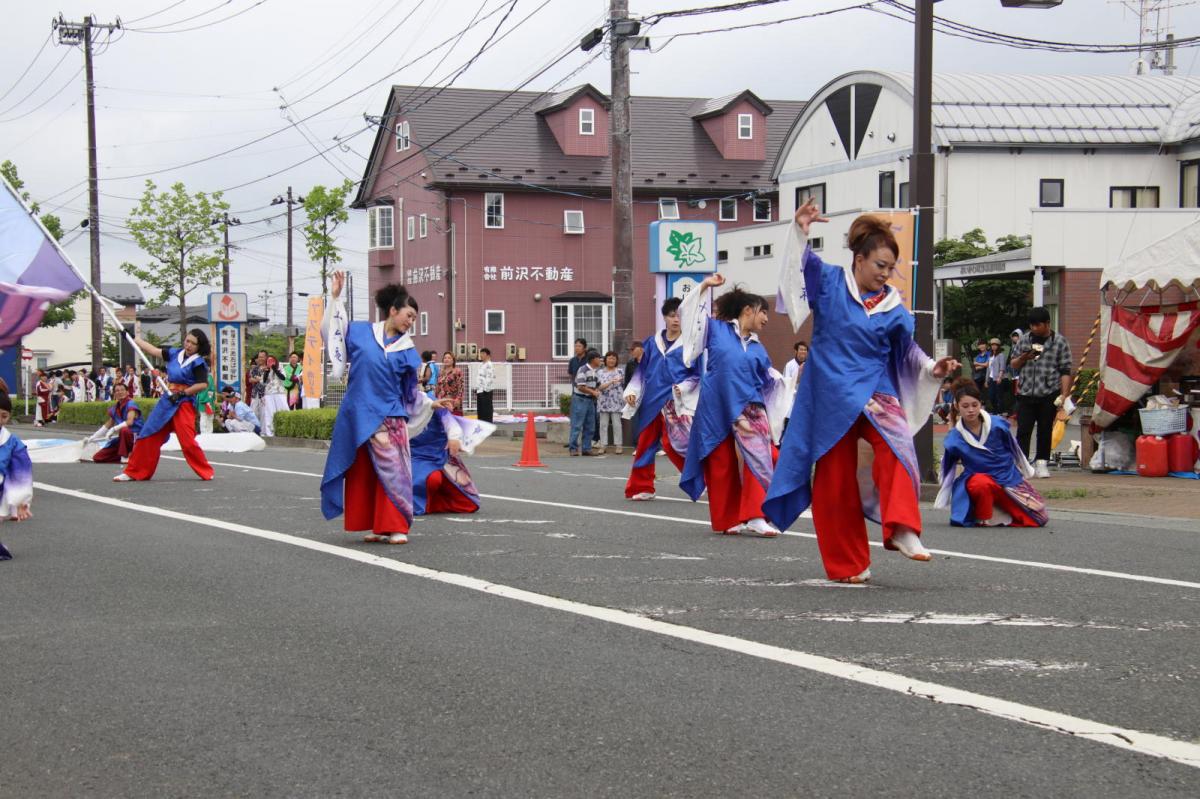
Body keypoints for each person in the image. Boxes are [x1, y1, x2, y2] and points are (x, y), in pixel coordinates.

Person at [764, 201, 959, 583]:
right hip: (830, 392)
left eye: (890, 268)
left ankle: (902, 526)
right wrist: (800, 230)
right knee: (834, 479)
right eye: (880, 265)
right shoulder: (831, 282)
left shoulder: (893, 305)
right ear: (858, 259)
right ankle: (847, 565)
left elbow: (906, 351)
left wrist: (931, 369)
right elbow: (798, 268)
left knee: (898, 446)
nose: (885, 274)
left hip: (875, 388)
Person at [320, 271, 452, 546]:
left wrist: (430, 402)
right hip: (357, 414)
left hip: (389, 417)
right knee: (364, 472)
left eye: (414, 319)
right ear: (393, 310)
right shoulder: (360, 332)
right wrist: (335, 298)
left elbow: (410, 393)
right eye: (409, 315)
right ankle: (377, 525)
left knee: (395, 472)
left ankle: (396, 526)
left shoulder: (408, 351)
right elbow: (332, 334)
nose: (411, 322)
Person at [679, 275, 789, 537]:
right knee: (721, 462)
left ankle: (756, 515)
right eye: (763, 312)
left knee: (762, 456)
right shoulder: (715, 330)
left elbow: (769, 380)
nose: (766, 319)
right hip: (715, 405)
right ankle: (727, 519)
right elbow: (689, 316)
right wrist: (704, 287)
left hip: (749, 408)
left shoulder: (758, 348)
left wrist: (788, 383)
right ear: (748, 310)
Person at [936, 378, 1048, 528]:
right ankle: (983, 516)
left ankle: (999, 512)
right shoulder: (955, 438)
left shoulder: (997, 424)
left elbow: (1014, 448)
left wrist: (1024, 469)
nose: (971, 410)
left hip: (1008, 479)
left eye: (975, 405)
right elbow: (947, 466)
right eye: (965, 406)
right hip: (979, 483)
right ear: (957, 406)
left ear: (981, 404)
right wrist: (945, 489)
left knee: (1038, 519)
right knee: (980, 483)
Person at [623, 297, 701, 500]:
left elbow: (697, 374)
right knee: (645, 444)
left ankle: (698, 480)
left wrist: (683, 388)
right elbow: (641, 371)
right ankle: (642, 487)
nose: (676, 320)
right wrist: (632, 392)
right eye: (672, 315)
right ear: (665, 317)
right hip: (651, 401)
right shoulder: (652, 342)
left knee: (677, 444)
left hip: (676, 402)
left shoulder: (691, 344)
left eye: (680, 316)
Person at [113, 329, 215, 483]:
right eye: (187, 341)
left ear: (199, 346)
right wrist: (132, 338)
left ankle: (205, 471)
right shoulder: (174, 353)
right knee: (148, 434)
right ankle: (134, 472)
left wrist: (183, 394)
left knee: (187, 441)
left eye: (193, 343)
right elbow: (153, 350)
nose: (188, 345)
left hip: (184, 402)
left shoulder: (198, 362)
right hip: (168, 400)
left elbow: (202, 384)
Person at [1009, 306, 1073, 479]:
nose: (1034, 328)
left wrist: (1064, 394)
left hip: (1049, 392)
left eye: (1038, 325)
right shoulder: (1024, 339)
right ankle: (1022, 463)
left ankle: (1042, 462)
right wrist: (1024, 357)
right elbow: (1013, 364)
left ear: (1047, 323)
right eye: (1032, 325)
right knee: (1023, 429)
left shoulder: (1060, 342)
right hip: (1026, 391)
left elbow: (1065, 370)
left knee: (1045, 429)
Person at [411, 408, 494, 516]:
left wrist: (454, 437)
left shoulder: (435, 404)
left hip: (439, 456)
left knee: (467, 504)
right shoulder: (400, 403)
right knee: (431, 479)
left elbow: (450, 421)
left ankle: (430, 503)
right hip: (410, 455)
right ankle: (415, 502)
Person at [0, 392, 34, 561]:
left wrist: (21, 501)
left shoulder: (12, 442)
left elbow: (20, 471)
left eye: (4, 416)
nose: (0, 420)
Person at [90, 382, 142, 464]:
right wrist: (93, 437)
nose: (120, 392)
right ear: (114, 394)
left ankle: (125, 456)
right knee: (98, 457)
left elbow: (130, 422)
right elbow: (108, 425)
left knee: (124, 430)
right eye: (117, 390)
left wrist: (114, 429)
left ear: (127, 392)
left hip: (136, 437)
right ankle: (130, 456)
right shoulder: (115, 408)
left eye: (122, 390)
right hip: (123, 439)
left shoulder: (131, 403)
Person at [568, 350, 602, 456]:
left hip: (590, 400)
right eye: (599, 358)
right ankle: (573, 448)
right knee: (577, 425)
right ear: (593, 359)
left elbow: (598, 385)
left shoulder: (596, 371)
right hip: (580, 399)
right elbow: (580, 386)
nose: (600, 360)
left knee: (590, 426)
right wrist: (593, 392)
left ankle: (586, 448)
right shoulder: (583, 370)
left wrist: (610, 383)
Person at [596, 351, 625, 454]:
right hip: (603, 401)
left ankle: (619, 445)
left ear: (616, 360)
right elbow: (599, 387)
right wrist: (611, 382)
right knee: (603, 424)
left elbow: (623, 385)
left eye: (613, 358)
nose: (611, 360)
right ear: (605, 360)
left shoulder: (620, 371)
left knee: (617, 424)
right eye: (609, 358)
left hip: (616, 401)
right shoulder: (600, 372)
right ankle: (603, 445)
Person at [260, 354, 289, 437]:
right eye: (268, 361)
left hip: (279, 392)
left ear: (275, 361)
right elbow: (263, 382)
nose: (270, 362)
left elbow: (283, 378)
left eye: (271, 360)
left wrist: (274, 368)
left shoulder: (280, 367)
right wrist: (267, 371)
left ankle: (284, 431)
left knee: (283, 410)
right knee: (269, 413)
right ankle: (270, 433)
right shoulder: (266, 370)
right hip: (269, 393)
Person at [783, 340, 808, 432]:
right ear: (796, 351)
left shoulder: (809, 365)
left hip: (805, 402)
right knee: (788, 429)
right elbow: (786, 384)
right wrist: (798, 376)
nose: (803, 352)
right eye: (801, 349)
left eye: (805, 350)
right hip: (791, 402)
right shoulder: (789, 365)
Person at [435, 351, 464, 416]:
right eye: (445, 358)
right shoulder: (441, 372)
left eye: (449, 358)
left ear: (453, 360)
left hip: (453, 401)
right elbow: (437, 387)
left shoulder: (457, 371)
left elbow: (461, 387)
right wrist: (435, 398)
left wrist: (458, 399)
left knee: (454, 420)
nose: (446, 359)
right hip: (441, 401)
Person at [984, 337, 1007, 413]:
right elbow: (988, 369)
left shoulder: (1001, 355)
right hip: (991, 378)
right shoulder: (990, 356)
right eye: (992, 345)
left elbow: (1002, 367)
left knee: (999, 396)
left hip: (998, 378)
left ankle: (1000, 411)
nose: (993, 346)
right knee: (991, 396)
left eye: (995, 345)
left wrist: (1000, 377)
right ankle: (995, 410)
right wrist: (986, 380)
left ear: (998, 346)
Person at [474, 347, 496, 424]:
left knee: (486, 409)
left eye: (483, 353)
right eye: (480, 353)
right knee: (480, 410)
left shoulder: (489, 364)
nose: (481, 355)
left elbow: (490, 377)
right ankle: (481, 424)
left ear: (488, 355)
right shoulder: (481, 364)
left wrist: (486, 390)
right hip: (480, 390)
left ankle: (488, 424)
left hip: (486, 391)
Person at [246, 350, 268, 424]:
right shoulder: (255, 368)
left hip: (265, 394)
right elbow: (250, 379)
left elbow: (268, 381)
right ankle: (255, 428)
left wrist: (258, 379)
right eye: (259, 357)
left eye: (262, 357)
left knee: (264, 414)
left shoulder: (268, 368)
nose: (260, 359)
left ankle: (264, 429)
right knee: (254, 412)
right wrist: (259, 379)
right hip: (255, 394)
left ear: (266, 357)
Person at [196, 365, 217, 436]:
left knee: (205, 417)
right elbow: (212, 390)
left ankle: (205, 433)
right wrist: (210, 399)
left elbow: (211, 390)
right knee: (206, 417)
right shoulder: (208, 378)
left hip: (204, 400)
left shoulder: (202, 378)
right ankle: (207, 433)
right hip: (207, 401)